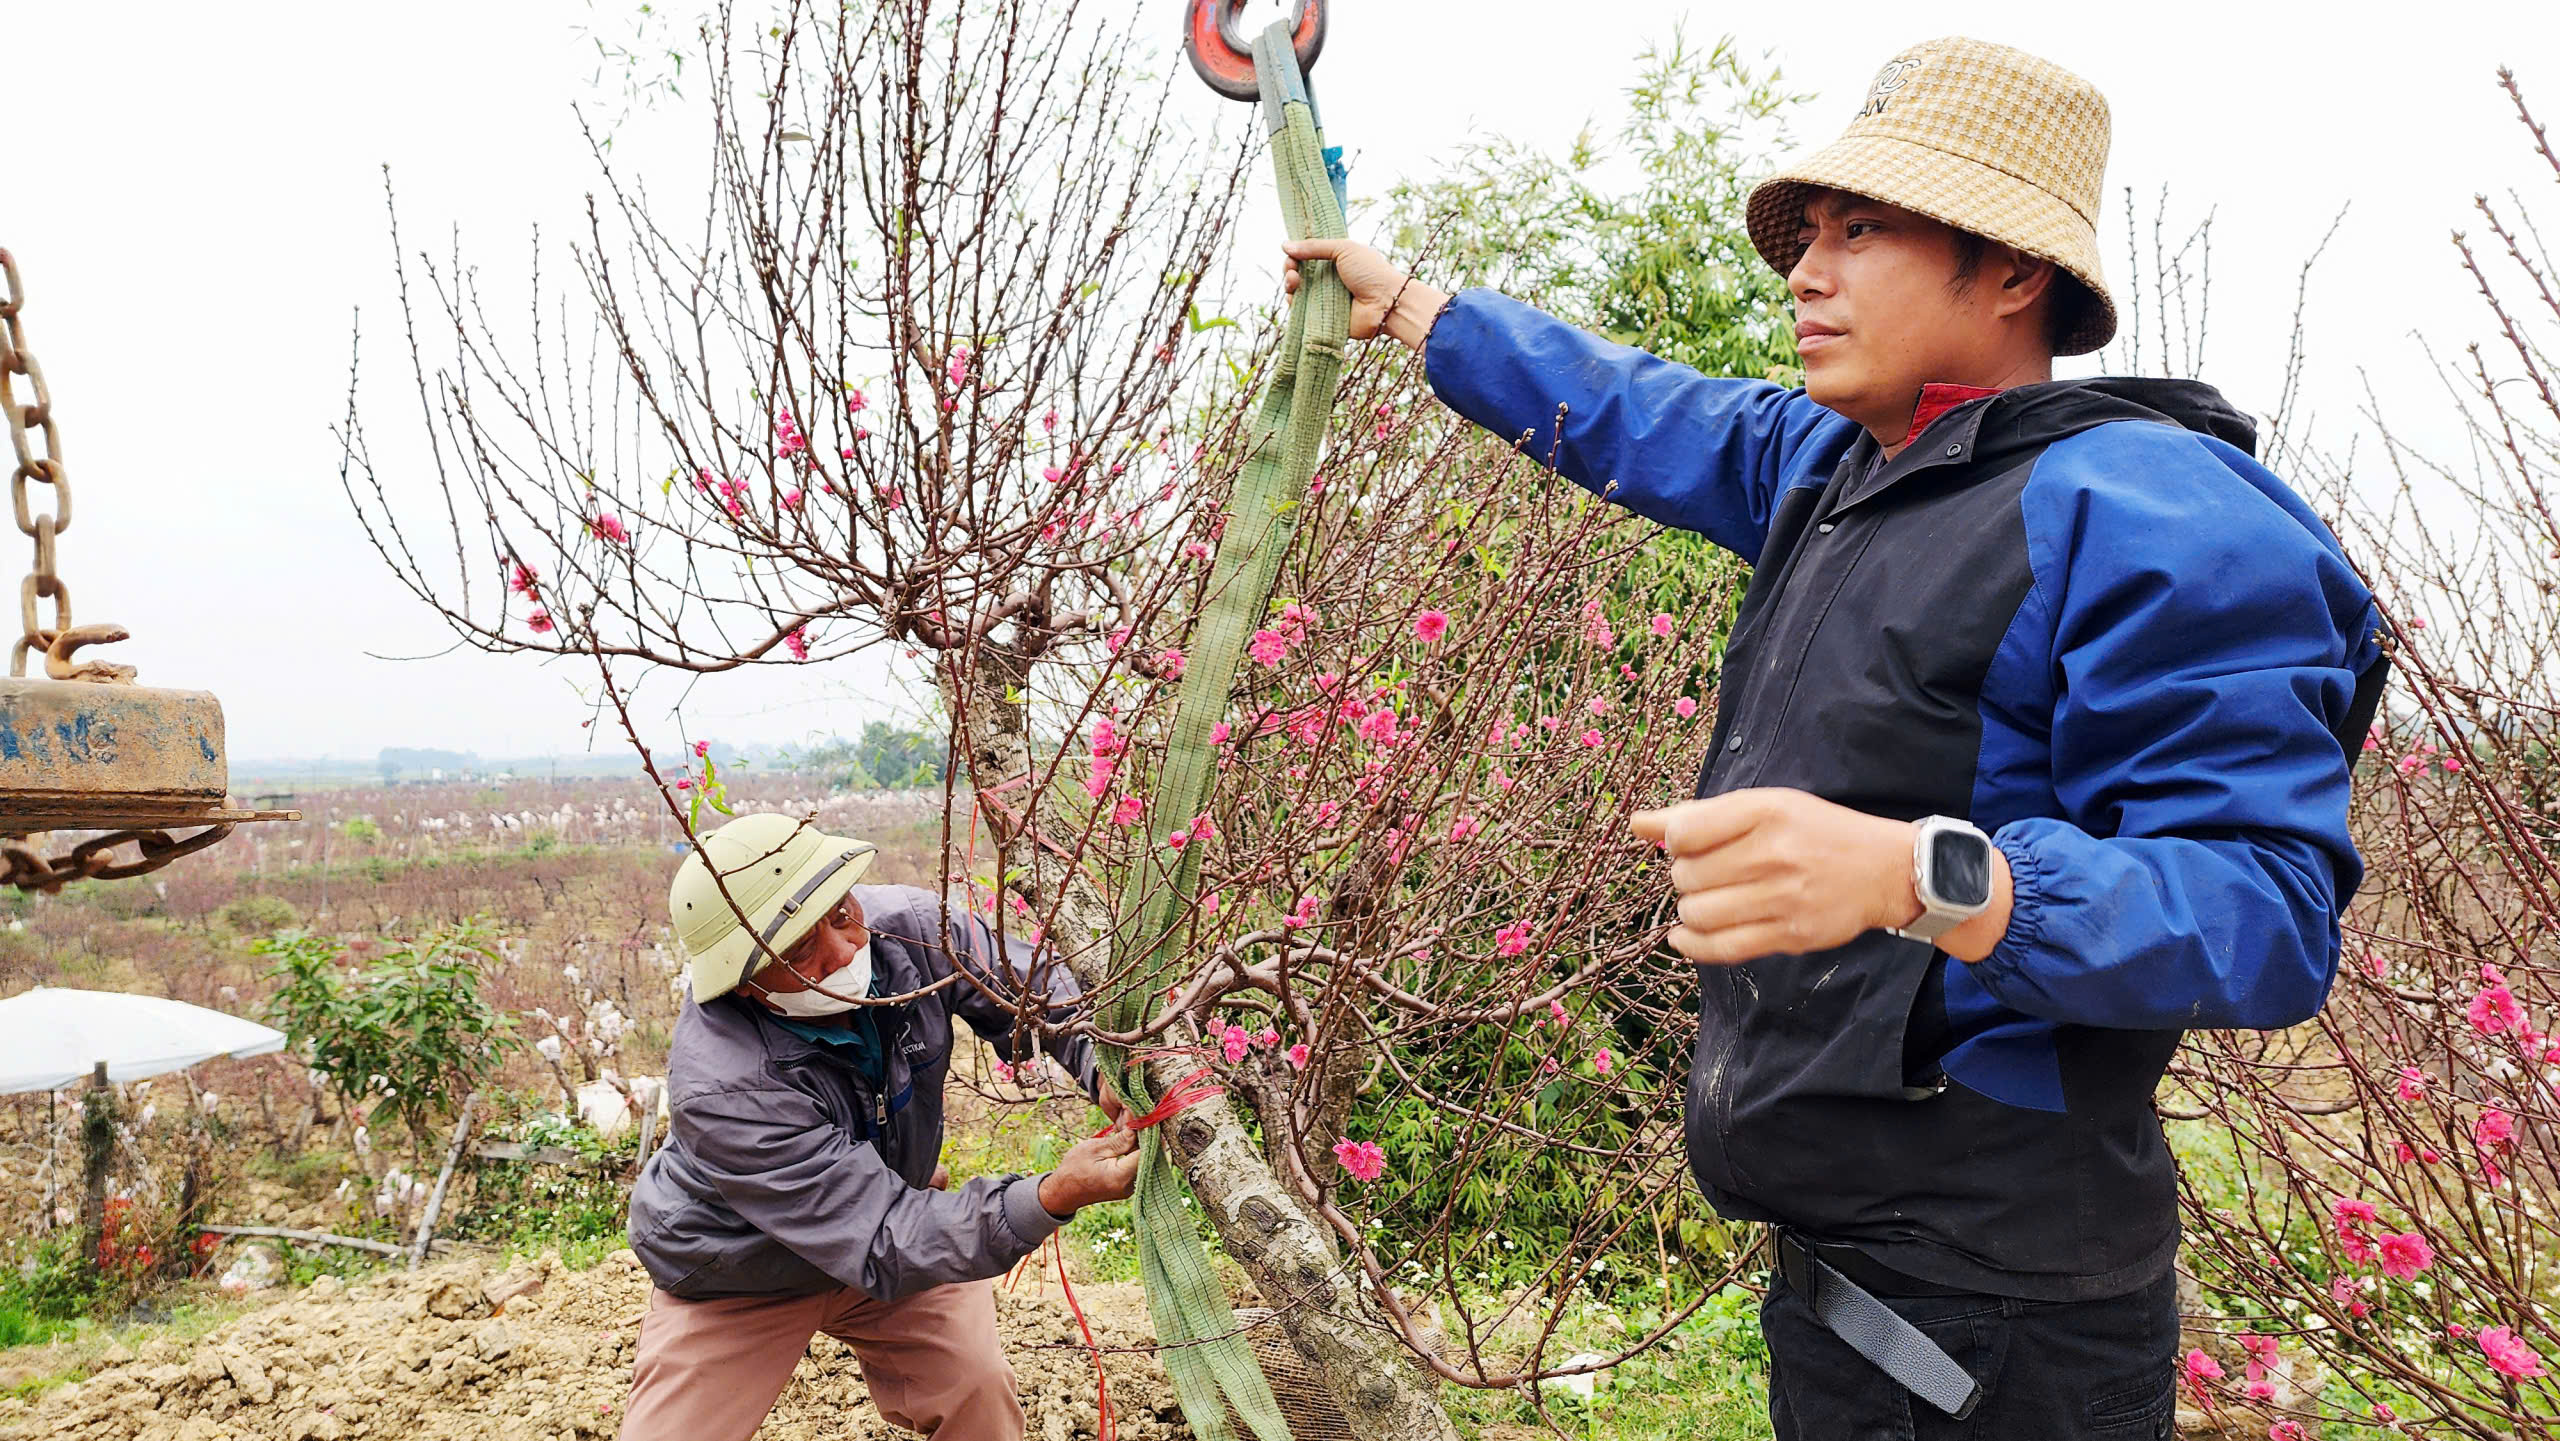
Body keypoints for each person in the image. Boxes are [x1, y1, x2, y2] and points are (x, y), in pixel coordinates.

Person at [1287, 35, 2386, 1440]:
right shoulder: (1842, 469)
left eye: (1861, 232)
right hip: (1840, 1285)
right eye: (1806, 235)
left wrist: (1917, 875)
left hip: (2009, 1331)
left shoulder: (2154, 513)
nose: (1804, 273)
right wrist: (1415, 309)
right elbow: (1638, 409)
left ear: (2011, 271)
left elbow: (2266, 915)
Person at [618, 812, 1136, 1441]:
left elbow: (1034, 988)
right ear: (746, 984)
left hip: (891, 1230)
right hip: (741, 1267)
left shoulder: (909, 932)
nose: (845, 950)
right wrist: (1051, 1196)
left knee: (976, 1393)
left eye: (840, 915)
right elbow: (886, 1236)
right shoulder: (725, 1087)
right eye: (802, 950)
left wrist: (1102, 1062)